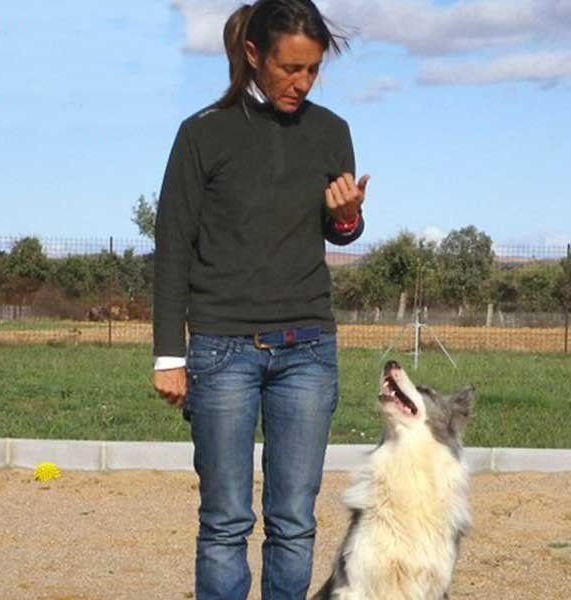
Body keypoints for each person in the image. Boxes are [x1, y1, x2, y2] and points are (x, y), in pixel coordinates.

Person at [152, 1, 368, 598]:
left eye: (313, 69)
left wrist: (348, 217)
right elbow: (172, 246)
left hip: (308, 352)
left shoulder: (332, 132)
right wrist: (169, 354)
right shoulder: (202, 134)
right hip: (222, 352)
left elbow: (338, 232)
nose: (303, 82)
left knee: (294, 523)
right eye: (290, 68)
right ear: (253, 54)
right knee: (225, 522)